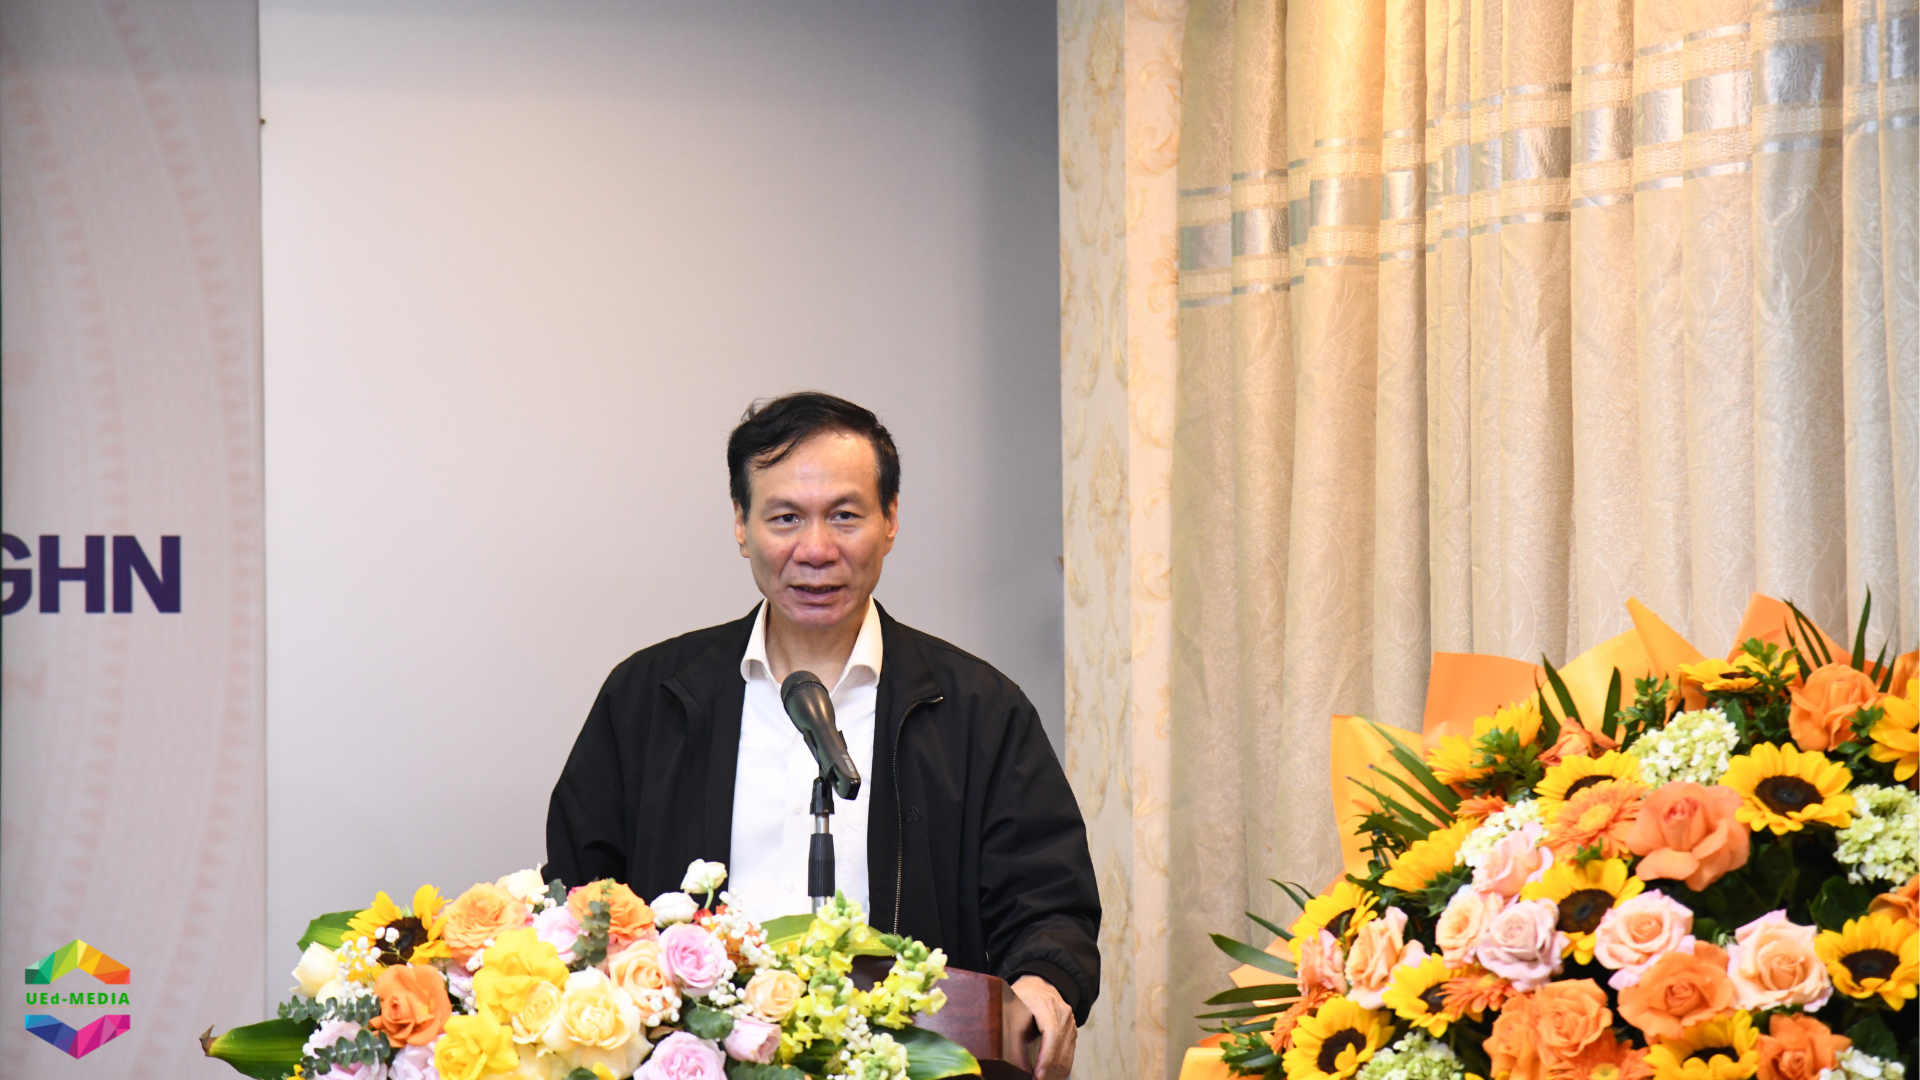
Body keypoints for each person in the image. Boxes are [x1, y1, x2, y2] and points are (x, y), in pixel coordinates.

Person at [546, 392, 1099, 1079]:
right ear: (741, 525)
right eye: (785, 518)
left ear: (890, 520)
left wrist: (1044, 980)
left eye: (845, 516)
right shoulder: (648, 699)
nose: (815, 550)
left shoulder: (978, 709)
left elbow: (1049, 900)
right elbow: (579, 898)